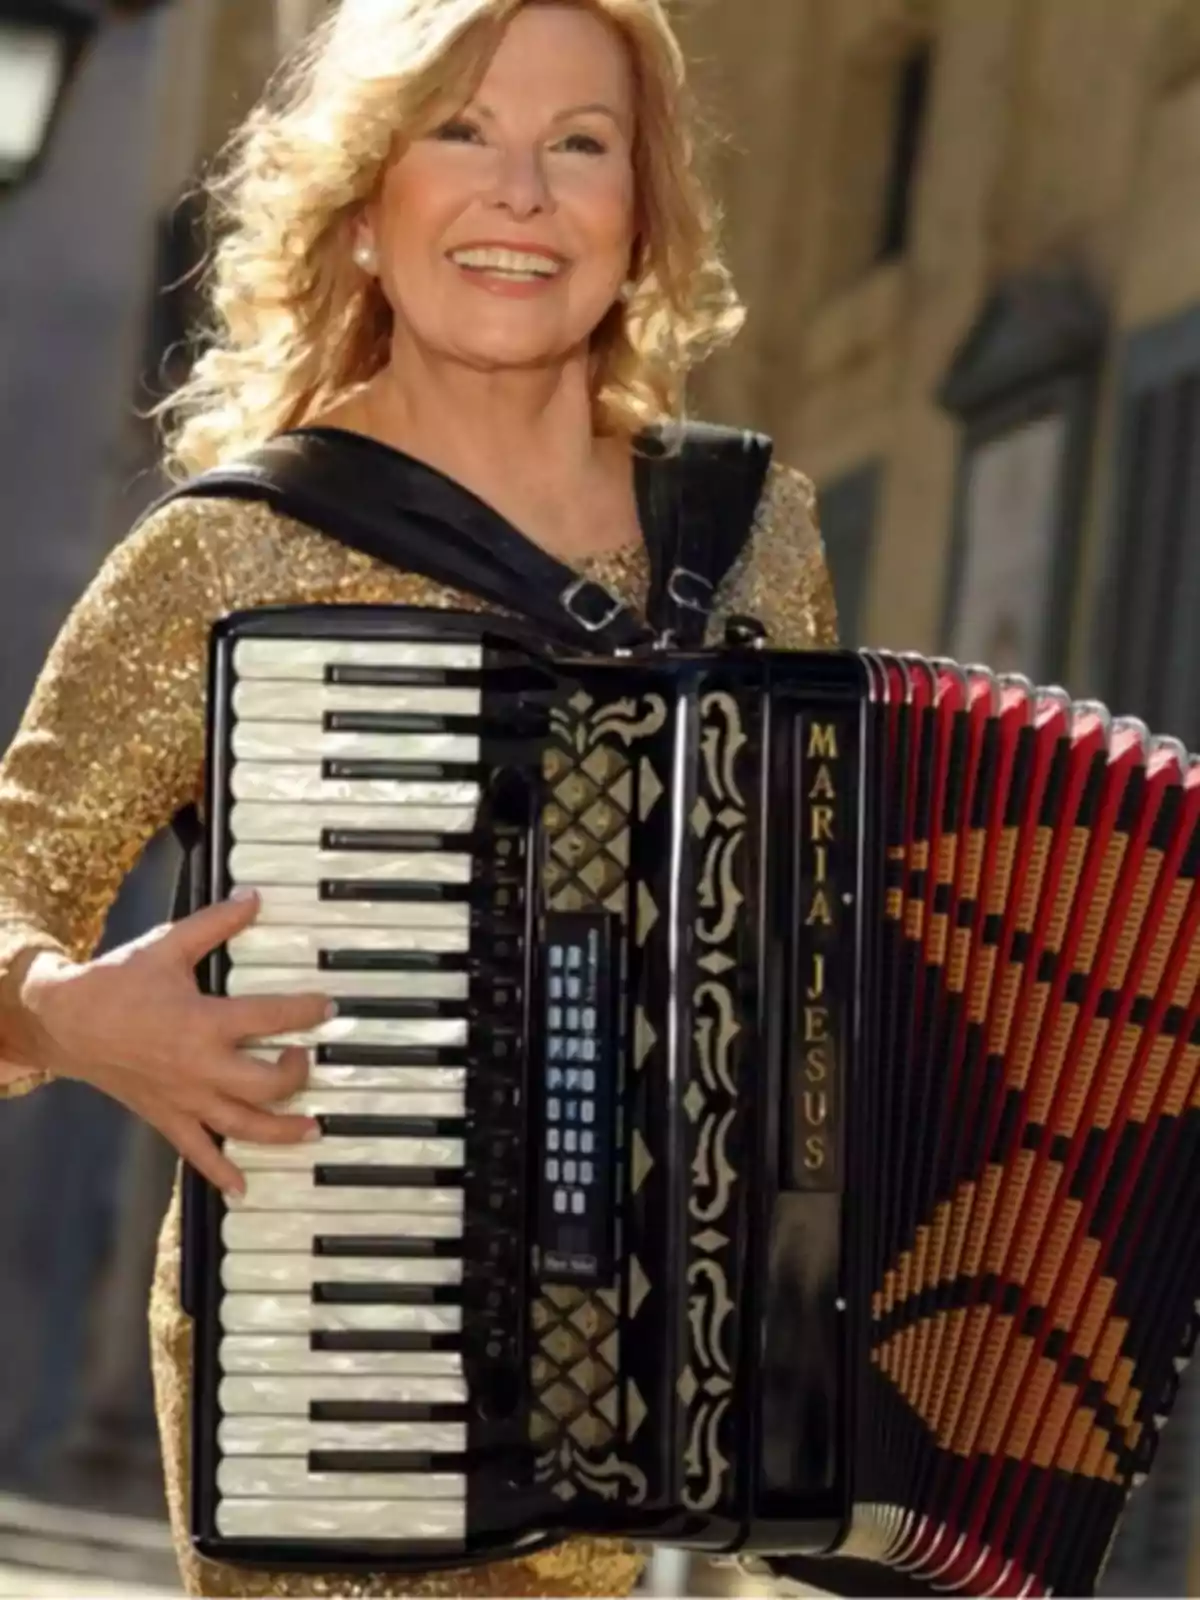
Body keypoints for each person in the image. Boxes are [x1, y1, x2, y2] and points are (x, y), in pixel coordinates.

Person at [0, 0, 838, 1593]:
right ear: (366, 206)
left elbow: (809, 957)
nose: (520, 190)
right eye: (462, 130)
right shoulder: (228, 555)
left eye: (579, 146)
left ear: (638, 216)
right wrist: (60, 1014)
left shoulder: (748, 538)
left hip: (666, 1445)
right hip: (340, 1395)